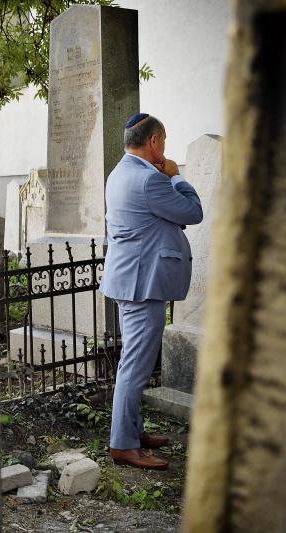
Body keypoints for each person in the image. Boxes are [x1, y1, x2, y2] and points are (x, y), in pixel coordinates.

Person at [100, 113, 203, 470]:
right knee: (135, 368)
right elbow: (193, 211)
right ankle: (124, 445)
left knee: (132, 362)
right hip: (143, 285)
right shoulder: (150, 180)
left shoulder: (118, 173)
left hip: (129, 280)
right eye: (165, 140)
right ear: (154, 141)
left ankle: (133, 431)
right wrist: (176, 175)